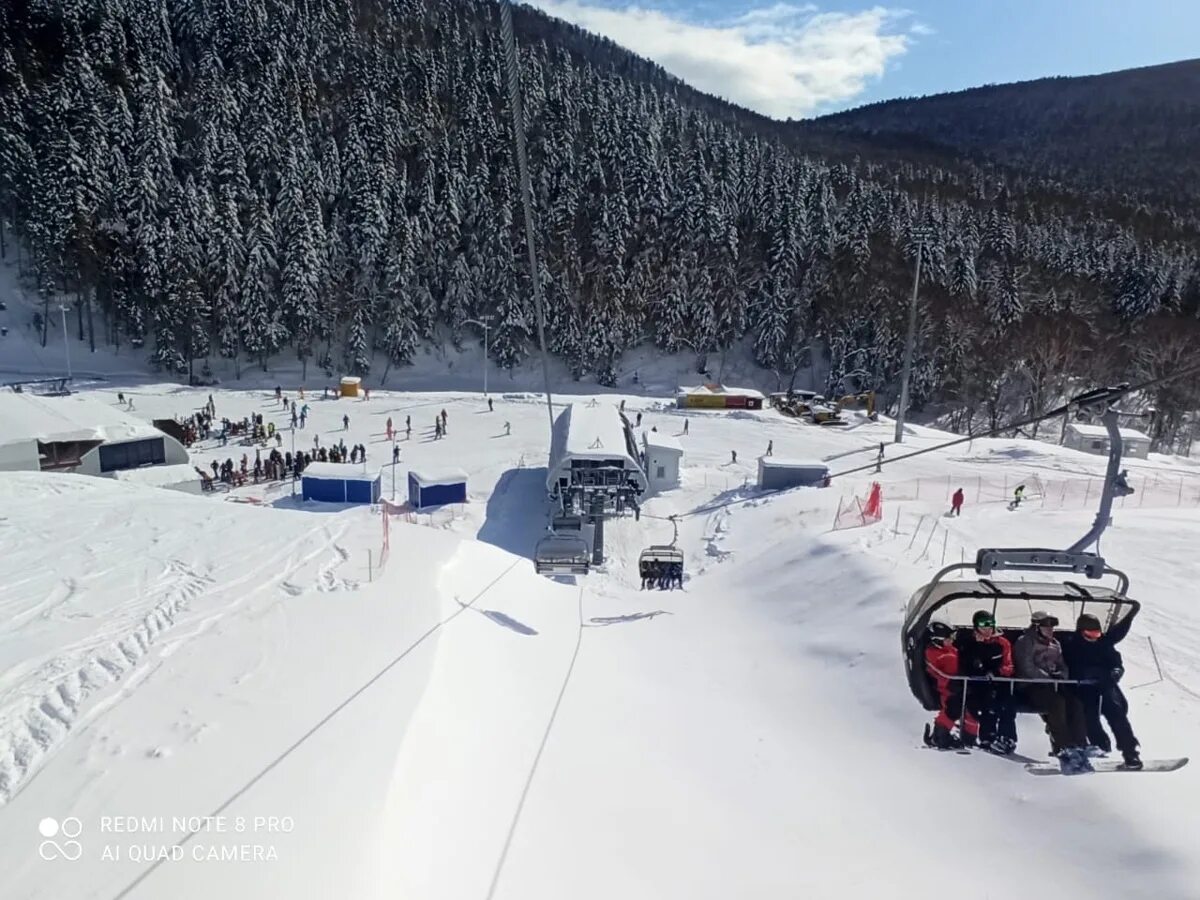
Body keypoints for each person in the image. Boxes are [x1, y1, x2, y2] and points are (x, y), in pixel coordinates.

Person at [1014, 611, 1092, 771]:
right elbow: (1026, 667)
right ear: (1036, 627)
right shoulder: (1025, 642)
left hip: (1053, 685)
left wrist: (1060, 675)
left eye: (1052, 627)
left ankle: (1080, 744)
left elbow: (1062, 665)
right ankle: (1063, 746)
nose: (1050, 630)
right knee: (1056, 703)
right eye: (1046, 626)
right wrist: (1048, 677)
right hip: (1030, 686)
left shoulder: (1055, 644)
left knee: (1075, 702)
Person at [1063, 614, 1142, 769]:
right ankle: (1098, 745)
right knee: (1088, 715)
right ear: (1081, 632)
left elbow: (1115, 661)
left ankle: (1130, 752)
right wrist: (1087, 674)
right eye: (1090, 634)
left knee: (1117, 714)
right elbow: (1069, 665)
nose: (1094, 638)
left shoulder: (1103, 644)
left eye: (1097, 634)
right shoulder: (1072, 644)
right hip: (1083, 688)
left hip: (1104, 686)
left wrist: (1116, 671)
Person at [955, 610, 1017, 754]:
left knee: (1008, 702)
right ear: (976, 627)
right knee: (989, 703)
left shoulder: (1002, 643)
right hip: (976, 683)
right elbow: (967, 664)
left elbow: (1009, 665)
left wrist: (997, 673)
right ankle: (988, 737)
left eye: (990, 624)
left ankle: (1007, 737)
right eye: (983, 625)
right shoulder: (968, 643)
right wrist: (978, 646)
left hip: (998, 681)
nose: (987, 629)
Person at [923, 621, 975, 749]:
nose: (952, 641)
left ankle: (970, 737)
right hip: (947, 687)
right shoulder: (933, 653)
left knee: (972, 709)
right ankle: (940, 736)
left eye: (953, 638)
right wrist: (951, 681)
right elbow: (935, 672)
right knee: (952, 708)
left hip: (961, 683)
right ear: (939, 640)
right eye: (949, 638)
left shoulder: (952, 650)